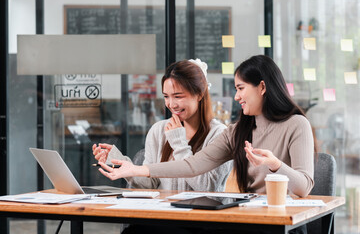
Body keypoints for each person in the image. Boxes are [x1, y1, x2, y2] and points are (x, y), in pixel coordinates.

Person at [97, 55, 315, 200]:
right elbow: (193, 165)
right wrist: (136, 169)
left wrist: (275, 164)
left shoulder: (297, 125)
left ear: (262, 87)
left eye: (240, 88)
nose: (236, 96)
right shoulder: (237, 131)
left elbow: (304, 187)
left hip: (284, 224)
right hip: (249, 220)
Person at [93, 58, 233, 192]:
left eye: (178, 96)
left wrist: (179, 143)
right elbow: (150, 185)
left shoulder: (220, 134)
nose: (171, 104)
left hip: (200, 216)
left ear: (199, 94)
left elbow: (209, 188)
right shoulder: (158, 130)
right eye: (166, 96)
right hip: (165, 213)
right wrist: (121, 163)